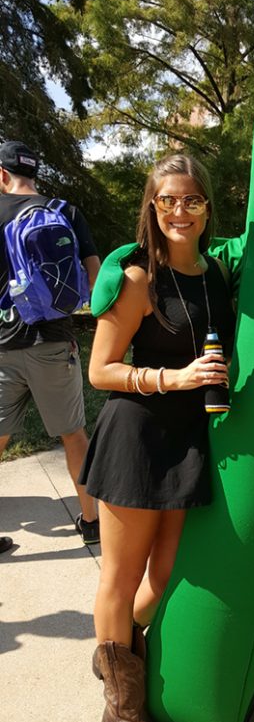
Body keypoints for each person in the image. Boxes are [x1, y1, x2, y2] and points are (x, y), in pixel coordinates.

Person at [81, 152, 235, 722]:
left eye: (191, 200)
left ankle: (114, 652)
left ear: (207, 209)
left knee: (167, 576)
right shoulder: (138, 278)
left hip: (191, 439)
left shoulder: (213, 273)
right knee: (121, 578)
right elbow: (100, 371)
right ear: (152, 205)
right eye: (167, 199)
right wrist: (173, 379)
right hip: (138, 438)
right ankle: (123, 711)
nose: (179, 211)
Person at [0, 141, 100, 544]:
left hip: (3, 344)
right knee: (73, 434)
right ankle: (92, 523)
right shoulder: (64, 211)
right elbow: (94, 274)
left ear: (2, 174)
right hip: (54, 342)